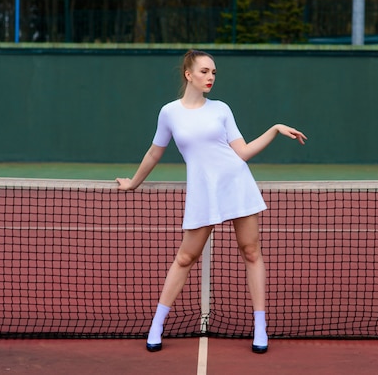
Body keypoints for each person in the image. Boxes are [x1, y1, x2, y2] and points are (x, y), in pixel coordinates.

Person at [116, 49, 306, 354]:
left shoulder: (222, 109)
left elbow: (241, 153)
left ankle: (260, 327)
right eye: (205, 71)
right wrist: (133, 183)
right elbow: (154, 153)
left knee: (251, 252)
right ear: (188, 75)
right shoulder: (169, 113)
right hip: (204, 193)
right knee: (184, 258)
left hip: (237, 184)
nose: (210, 77)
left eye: (214, 73)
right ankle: (157, 324)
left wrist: (273, 129)